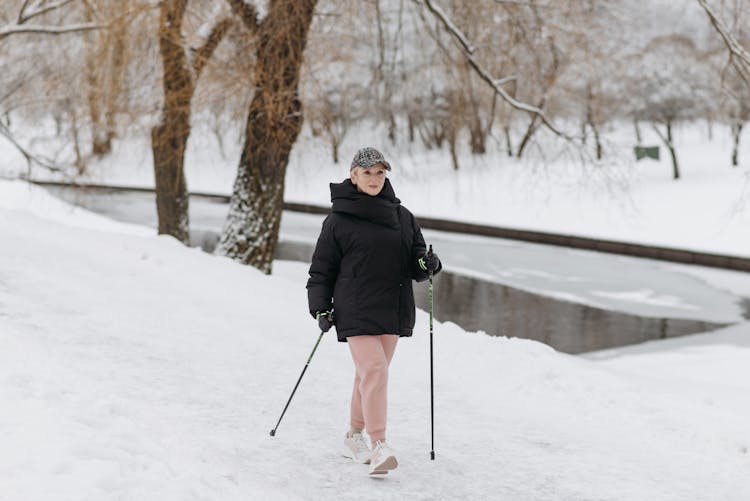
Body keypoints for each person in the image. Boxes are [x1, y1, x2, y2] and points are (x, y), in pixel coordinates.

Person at [306, 146, 442, 475]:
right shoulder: (338, 220)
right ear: (353, 175)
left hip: (392, 307)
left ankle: (353, 435)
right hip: (354, 307)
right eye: (367, 172)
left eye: (380, 172)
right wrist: (321, 307)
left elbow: (416, 261)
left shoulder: (403, 216)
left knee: (369, 376)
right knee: (376, 372)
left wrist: (428, 264)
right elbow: (321, 270)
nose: (374, 178)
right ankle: (379, 443)